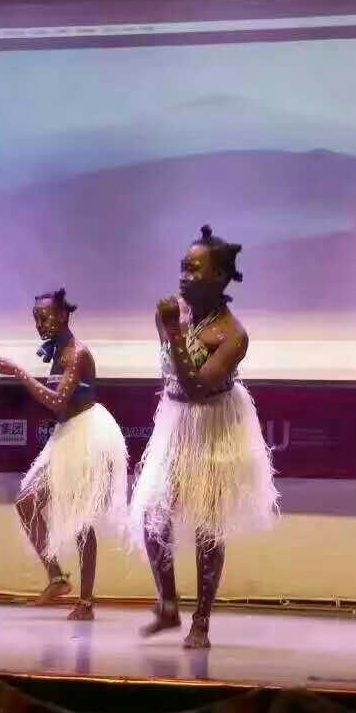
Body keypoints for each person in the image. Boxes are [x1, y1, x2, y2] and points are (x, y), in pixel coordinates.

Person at [131, 225, 279, 649]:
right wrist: (172, 328)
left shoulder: (233, 334)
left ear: (220, 277)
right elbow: (171, 375)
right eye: (183, 266)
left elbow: (196, 385)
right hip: (176, 421)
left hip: (214, 425)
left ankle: (201, 621)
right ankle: (167, 605)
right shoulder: (170, 313)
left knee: (208, 527)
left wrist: (175, 331)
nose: (184, 275)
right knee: (152, 513)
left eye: (194, 269)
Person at [0, 289, 128, 620]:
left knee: (82, 519)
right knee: (27, 501)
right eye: (36, 318)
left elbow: (57, 402)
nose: (39, 324)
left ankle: (86, 602)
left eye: (45, 317)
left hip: (88, 434)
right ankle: (56, 577)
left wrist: (20, 373)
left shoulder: (76, 353)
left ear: (64, 315)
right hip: (67, 433)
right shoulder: (57, 351)